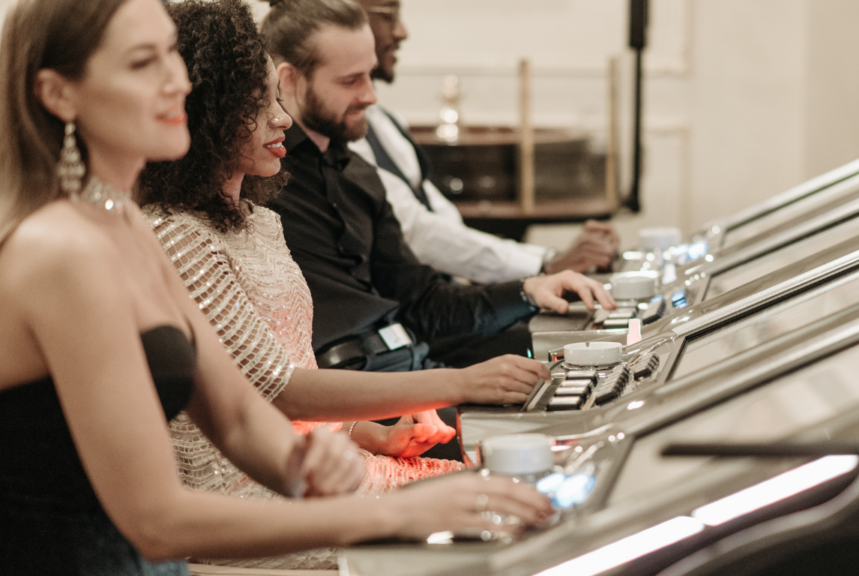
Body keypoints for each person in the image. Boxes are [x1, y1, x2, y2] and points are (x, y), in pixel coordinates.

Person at [0, 0, 552, 573]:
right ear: (59, 94)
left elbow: (239, 417)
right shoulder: (59, 251)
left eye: (172, 53)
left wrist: (313, 460)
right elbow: (155, 522)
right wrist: (391, 513)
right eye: (144, 62)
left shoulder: (125, 224)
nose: (178, 81)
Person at [259, 0, 617, 373]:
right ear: (289, 80)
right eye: (351, 81)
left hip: (407, 367)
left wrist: (529, 291)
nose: (370, 96)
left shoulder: (358, 172)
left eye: (368, 75)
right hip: (349, 402)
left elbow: (422, 302)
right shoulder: (262, 182)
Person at [349, 0, 620, 284]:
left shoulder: (387, 121)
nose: (402, 32)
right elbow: (413, 230)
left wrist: (547, 260)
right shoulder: (340, 132)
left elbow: (443, 221)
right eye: (389, 14)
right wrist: (544, 265)